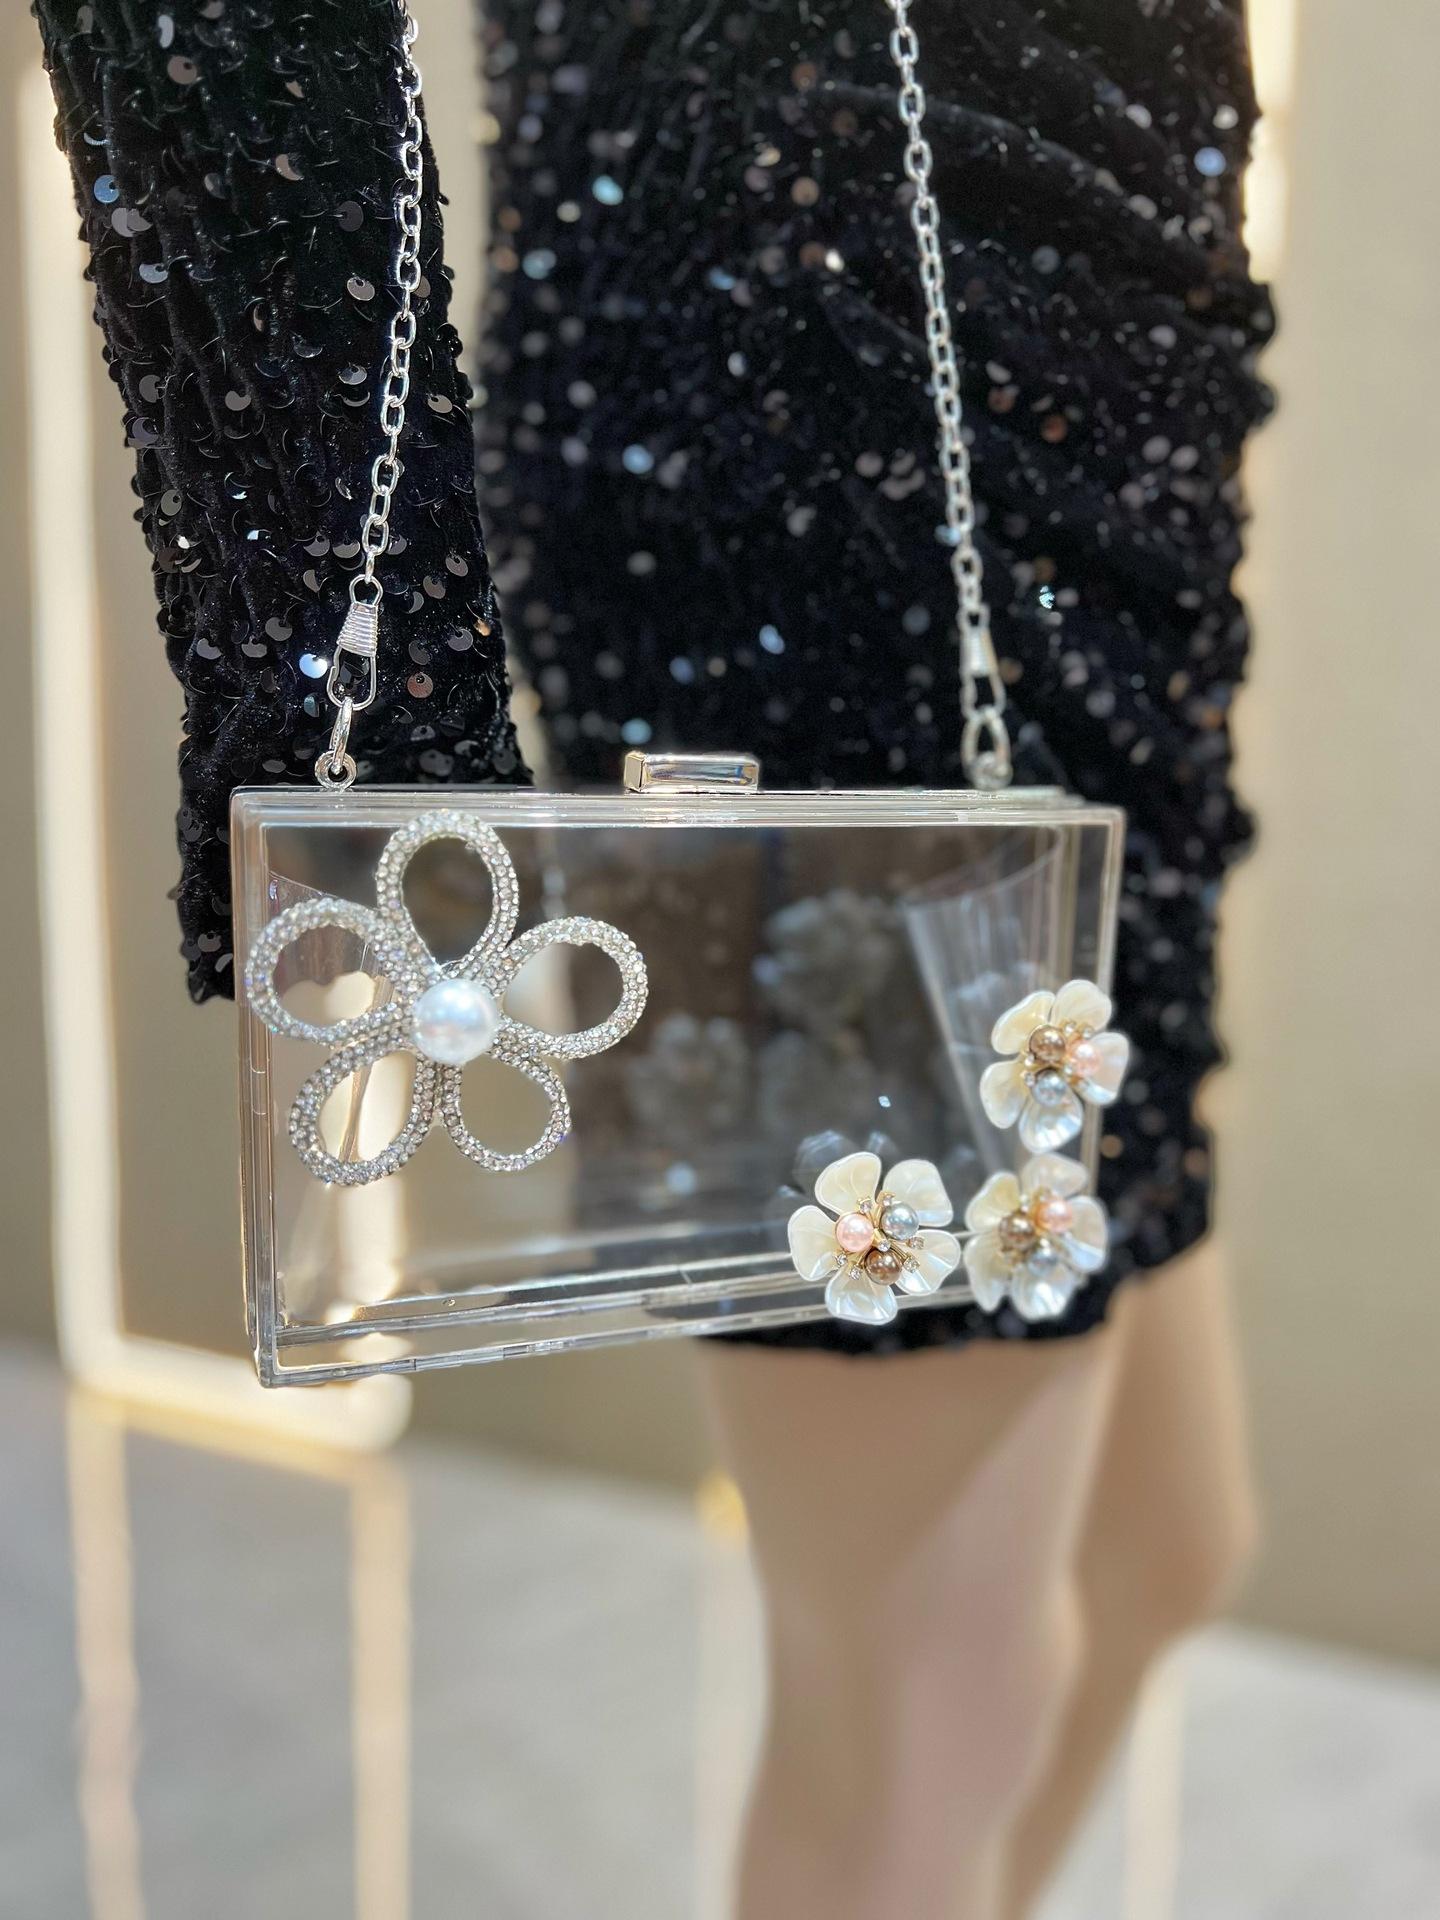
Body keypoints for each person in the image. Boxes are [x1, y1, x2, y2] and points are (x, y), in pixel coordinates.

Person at [38, 2, 1270, 1912]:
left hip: (1118, 374)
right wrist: (349, 659)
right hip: (817, 352)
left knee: (1164, 1548)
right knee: (933, 1699)